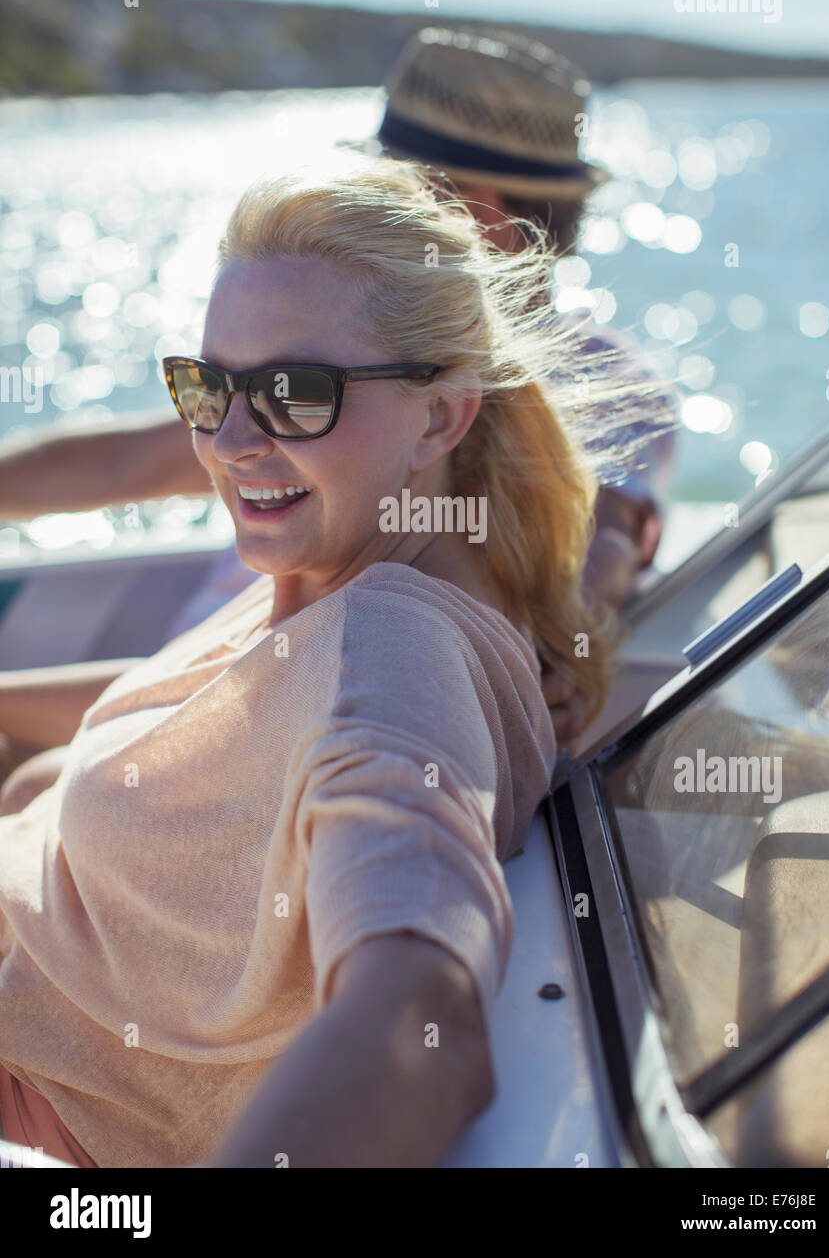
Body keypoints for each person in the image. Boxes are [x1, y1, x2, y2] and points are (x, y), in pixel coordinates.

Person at [0, 158, 617, 1167]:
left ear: (440, 415)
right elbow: (213, 711)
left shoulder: (390, 648)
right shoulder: (341, 563)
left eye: (293, 392)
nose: (230, 441)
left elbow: (419, 1009)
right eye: (207, 385)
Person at [0, 27, 674, 763]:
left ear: (478, 221)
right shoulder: (340, 360)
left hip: (233, 724)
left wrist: (571, 631)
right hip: (194, 691)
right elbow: (121, 466)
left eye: (390, 195)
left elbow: (607, 529)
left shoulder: (586, 382)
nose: (233, 438)